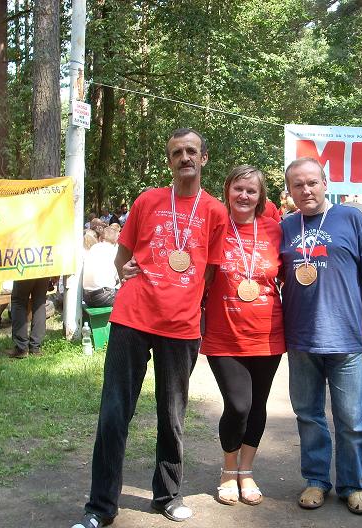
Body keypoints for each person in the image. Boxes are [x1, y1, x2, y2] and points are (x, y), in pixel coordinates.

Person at [71, 128, 227, 528]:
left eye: (191, 151)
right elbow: (124, 255)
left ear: (203, 158)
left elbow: (209, 271)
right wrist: (131, 275)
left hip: (181, 325)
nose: (184, 157)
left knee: (172, 415)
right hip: (133, 318)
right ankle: (100, 507)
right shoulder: (148, 200)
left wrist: (183, 295)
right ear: (170, 161)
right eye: (176, 152)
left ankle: (167, 495)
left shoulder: (215, 211)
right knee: (114, 412)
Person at [280, 157, 362, 515]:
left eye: (312, 182)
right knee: (308, 415)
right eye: (297, 185)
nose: (306, 190)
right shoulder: (286, 226)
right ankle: (316, 480)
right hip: (301, 337)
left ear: (325, 183)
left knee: (351, 419)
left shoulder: (351, 218)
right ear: (289, 190)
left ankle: (354, 485)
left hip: (345, 335)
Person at [200, 165, 285, 506]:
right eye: (238, 188)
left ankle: (246, 471)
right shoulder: (215, 227)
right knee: (238, 405)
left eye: (252, 190)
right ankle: (228, 470)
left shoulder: (275, 230)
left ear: (260, 196)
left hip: (268, 333)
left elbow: (295, 273)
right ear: (228, 191)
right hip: (224, 334)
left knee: (258, 405)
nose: (244, 195)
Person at [6, 277, 49, 358]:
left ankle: (21, 348)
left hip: (26, 271)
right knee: (39, 302)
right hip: (44, 271)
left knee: (18, 301)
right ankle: (35, 347)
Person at [82, 225, 120, 308]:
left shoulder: (94, 248)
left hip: (87, 297)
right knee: (130, 296)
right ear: (116, 240)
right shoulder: (114, 250)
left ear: (100, 238)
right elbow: (119, 277)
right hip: (104, 296)